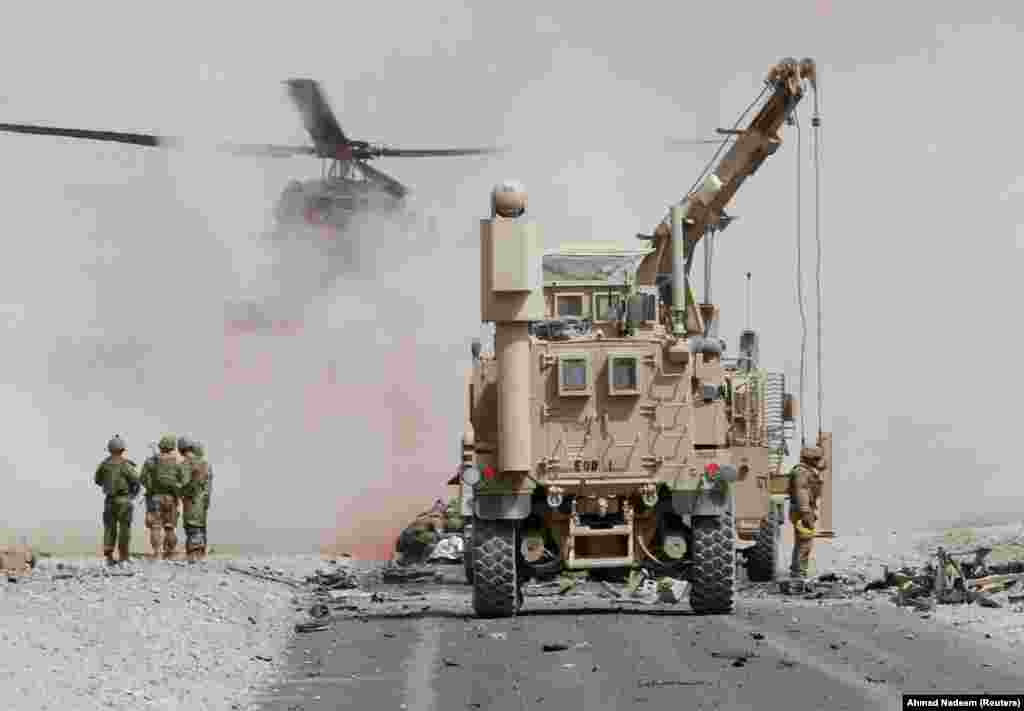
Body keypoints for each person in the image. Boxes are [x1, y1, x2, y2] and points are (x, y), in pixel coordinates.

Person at [94, 435, 141, 566]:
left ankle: (109, 557)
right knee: (125, 529)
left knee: (109, 528)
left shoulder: (104, 464)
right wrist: (133, 494)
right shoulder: (126, 465)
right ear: (123, 449)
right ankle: (123, 557)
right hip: (124, 500)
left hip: (109, 500)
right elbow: (136, 480)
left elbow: (97, 480)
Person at [139, 434, 187, 560]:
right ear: (172, 447)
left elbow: (142, 478)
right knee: (170, 528)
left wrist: (151, 488)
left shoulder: (151, 461)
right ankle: (170, 553)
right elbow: (183, 481)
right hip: (171, 498)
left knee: (155, 527)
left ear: (160, 446)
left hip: (155, 498)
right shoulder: (178, 463)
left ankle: (157, 554)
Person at [788, 445, 826, 581]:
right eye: (816, 459)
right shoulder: (802, 472)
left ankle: (797, 572)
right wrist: (805, 511)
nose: (818, 461)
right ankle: (799, 574)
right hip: (802, 510)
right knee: (805, 543)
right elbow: (801, 491)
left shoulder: (805, 470)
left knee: (801, 542)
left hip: (803, 509)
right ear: (810, 459)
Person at [181, 439, 212, 563]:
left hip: (192, 500)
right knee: (200, 527)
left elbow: (185, 485)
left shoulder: (186, 464)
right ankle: (200, 554)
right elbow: (208, 486)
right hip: (203, 500)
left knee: (192, 527)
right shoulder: (206, 464)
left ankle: (194, 557)